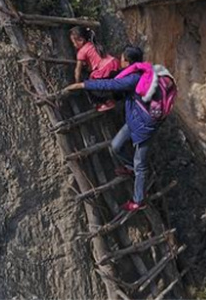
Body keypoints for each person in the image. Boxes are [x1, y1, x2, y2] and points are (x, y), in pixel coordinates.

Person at [65, 45, 158, 212]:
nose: (120, 60)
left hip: (145, 125)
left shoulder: (134, 78)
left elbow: (110, 85)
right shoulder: (140, 73)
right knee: (116, 146)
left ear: (128, 61)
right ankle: (130, 168)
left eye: (122, 58)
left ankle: (138, 201)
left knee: (141, 164)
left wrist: (82, 85)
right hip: (134, 121)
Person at [69, 26, 119, 112]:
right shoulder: (93, 44)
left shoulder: (81, 52)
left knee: (90, 86)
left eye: (74, 42)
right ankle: (115, 98)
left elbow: (77, 70)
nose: (74, 45)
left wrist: (77, 83)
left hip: (103, 69)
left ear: (81, 40)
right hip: (113, 64)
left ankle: (105, 102)